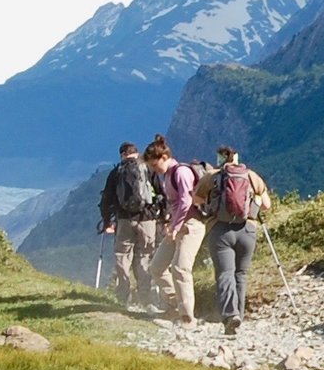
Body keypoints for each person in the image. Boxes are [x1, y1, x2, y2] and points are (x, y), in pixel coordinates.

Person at [204, 144, 273, 336]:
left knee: (225, 273)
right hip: (247, 230)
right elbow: (267, 205)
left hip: (221, 231)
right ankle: (239, 317)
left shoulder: (213, 177)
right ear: (236, 158)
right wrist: (254, 203)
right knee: (241, 274)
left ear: (220, 159)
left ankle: (229, 316)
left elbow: (196, 199)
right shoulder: (251, 176)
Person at [146, 135, 206, 325]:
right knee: (157, 267)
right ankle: (174, 306)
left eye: (155, 166)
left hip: (191, 226)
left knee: (181, 268)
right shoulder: (167, 175)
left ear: (164, 157)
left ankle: (187, 318)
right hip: (176, 226)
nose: (154, 170)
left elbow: (186, 202)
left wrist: (174, 226)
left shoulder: (181, 172)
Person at [97, 141, 162, 311]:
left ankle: (122, 298)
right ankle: (146, 299)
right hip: (147, 220)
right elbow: (161, 193)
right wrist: (162, 218)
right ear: (136, 153)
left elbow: (106, 200)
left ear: (122, 155)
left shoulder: (116, 172)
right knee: (144, 257)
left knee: (122, 257)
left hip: (124, 220)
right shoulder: (147, 169)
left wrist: (106, 221)